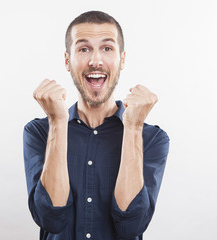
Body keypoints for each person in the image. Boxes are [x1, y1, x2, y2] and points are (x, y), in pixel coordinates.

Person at [23, 10, 170, 240]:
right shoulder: (39, 132)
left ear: (122, 59)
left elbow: (131, 226)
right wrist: (57, 122)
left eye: (107, 48)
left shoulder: (151, 138)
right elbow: (50, 219)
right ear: (67, 61)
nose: (95, 60)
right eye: (83, 49)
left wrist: (133, 127)